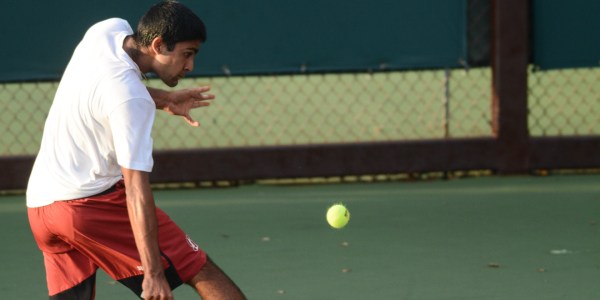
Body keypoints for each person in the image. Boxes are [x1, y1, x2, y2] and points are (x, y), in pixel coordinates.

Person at [26, 1, 246, 299]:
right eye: (187, 54)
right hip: (87, 205)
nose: (190, 66)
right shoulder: (132, 103)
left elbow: (107, 85)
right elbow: (135, 191)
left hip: (40, 206)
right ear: (158, 44)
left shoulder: (107, 30)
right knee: (200, 269)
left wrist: (164, 98)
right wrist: (154, 274)